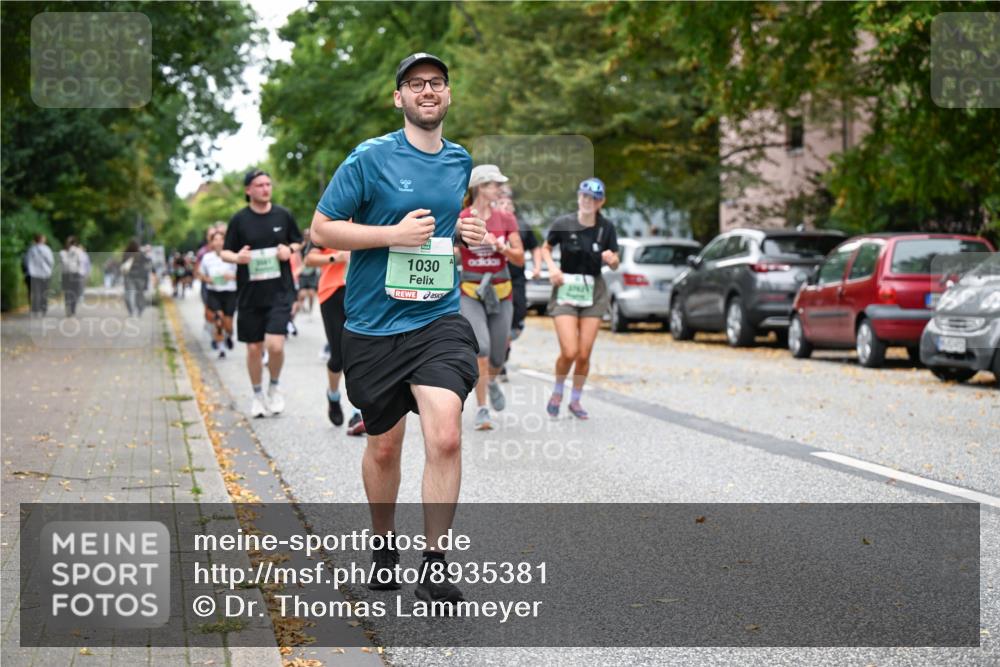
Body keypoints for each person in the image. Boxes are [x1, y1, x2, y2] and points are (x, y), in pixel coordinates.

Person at [310, 52, 486, 606]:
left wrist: (465, 234)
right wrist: (391, 236)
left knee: (447, 434)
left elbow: (440, 229)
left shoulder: (460, 161)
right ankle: (383, 545)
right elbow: (321, 229)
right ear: (399, 98)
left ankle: (434, 564)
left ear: (448, 95)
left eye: (436, 83)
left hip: (436, 319)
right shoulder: (370, 158)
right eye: (415, 84)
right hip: (373, 326)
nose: (427, 91)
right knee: (385, 449)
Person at [221, 169, 302, 419]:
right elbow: (225, 252)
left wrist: (289, 250)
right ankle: (257, 395)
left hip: (279, 292)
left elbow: (298, 242)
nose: (265, 189)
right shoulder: (239, 220)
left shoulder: (283, 215)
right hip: (249, 294)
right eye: (259, 185)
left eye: (268, 184)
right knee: (254, 349)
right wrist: (238, 257)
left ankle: (274, 387)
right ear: (248, 190)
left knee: (275, 346)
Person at [541, 177, 620, 420]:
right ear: (578, 197)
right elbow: (545, 248)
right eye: (585, 196)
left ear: (601, 202)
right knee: (570, 351)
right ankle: (557, 392)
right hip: (567, 287)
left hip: (593, 290)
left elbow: (616, 262)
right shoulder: (564, 223)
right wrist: (553, 269)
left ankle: (575, 400)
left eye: (594, 198)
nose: (588, 201)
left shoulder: (606, 228)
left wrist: (611, 259)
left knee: (584, 353)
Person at [458, 165, 524, 430]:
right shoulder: (461, 217)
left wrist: (501, 246)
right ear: (481, 188)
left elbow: (519, 258)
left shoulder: (505, 219)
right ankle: (482, 408)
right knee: (481, 348)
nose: (499, 189)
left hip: (501, 290)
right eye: (495, 184)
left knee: (498, 355)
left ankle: (493, 380)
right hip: (471, 291)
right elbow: (448, 250)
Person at [304, 238, 365, 434]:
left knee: (358, 352)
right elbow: (309, 259)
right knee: (338, 356)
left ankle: (358, 411)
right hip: (332, 293)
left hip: (362, 291)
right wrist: (335, 257)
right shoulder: (332, 217)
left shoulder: (368, 217)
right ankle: (333, 395)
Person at [496, 185, 540, 381]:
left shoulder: (521, 225)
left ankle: (502, 345)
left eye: (508, 202)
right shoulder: (489, 223)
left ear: (513, 206)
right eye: (501, 202)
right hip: (493, 279)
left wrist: (537, 267)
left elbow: (535, 248)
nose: (505, 205)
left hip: (516, 279)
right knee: (496, 320)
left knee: (518, 319)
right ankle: (500, 361)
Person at [199, 230, 237, 359]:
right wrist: (207, 279)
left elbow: (241, 274)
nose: (218, 242)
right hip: (214, 292)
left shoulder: (232, 256)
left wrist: (232, 276)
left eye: (221, 239)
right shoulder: (207, 258)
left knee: (228, 324)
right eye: (215, 240)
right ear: (211, 242)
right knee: (218, 320)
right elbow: (200, 274)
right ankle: (221, 348)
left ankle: (229, 335)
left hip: (230, 292)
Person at [24, 234, 54, 315]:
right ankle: (43, 308)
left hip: (33, 274)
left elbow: (26, 261)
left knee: (34, 292)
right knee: (44, 291)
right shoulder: (47, 249)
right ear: (42, 240)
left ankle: (35, 309)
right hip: (45, 274)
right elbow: (51, 261)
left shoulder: (31, 249)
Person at [59, 236, 88, 317]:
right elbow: (81, 262)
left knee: (67, 292)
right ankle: (72, 309)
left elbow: (62, 263)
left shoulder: (62, 252)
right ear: (75, 242)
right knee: (74, 292)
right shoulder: (78, 251)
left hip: (65, 274)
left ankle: (68, 307)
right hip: (75, 273)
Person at [122, 239, 152, 316]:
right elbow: (148, 262)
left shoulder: (128, 254)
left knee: (131, 295)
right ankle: (138, 309)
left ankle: (135, 310)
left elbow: (123, 265)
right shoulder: (138, 253)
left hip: (133, 277)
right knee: (138, 294)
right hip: (136, 277)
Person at [296, 228, 320, 316]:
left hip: (312, 273)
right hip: (302, 272)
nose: (307, 236)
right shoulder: (301, 246)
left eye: (309, 235)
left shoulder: (315, 245)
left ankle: (310, 309)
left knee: (311, 294)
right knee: (302, 294)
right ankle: (301, 307)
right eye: (306, 235)